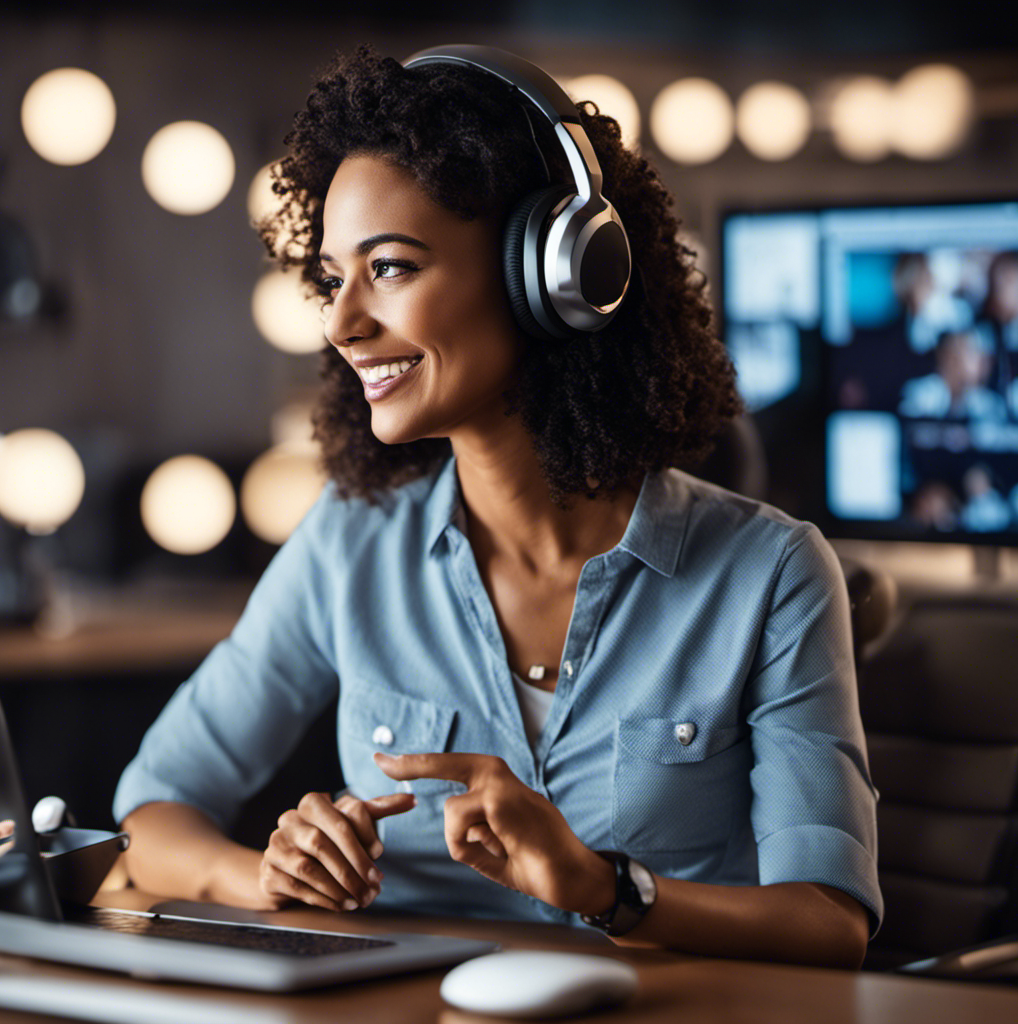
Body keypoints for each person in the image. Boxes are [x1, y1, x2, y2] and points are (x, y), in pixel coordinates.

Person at [113, 45, 881, 969]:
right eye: (332, 277)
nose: (341, 320)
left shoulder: (771, 573)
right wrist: (270, 881)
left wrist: (607, 889)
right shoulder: (351, 547)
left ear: (551, 277)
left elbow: (830, 925)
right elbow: (151, 811)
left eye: (390, 267)